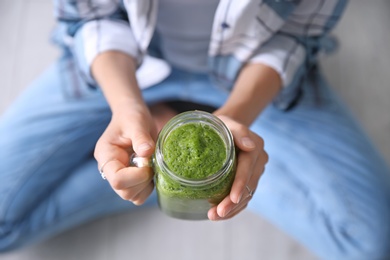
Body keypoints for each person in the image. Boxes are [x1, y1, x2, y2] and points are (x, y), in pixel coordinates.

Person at [0, 0, 389, 258]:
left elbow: (296, 36)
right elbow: (91, 17)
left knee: (372, 245)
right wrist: (127, 105)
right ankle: (160, 176)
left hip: (250, 71)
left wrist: (239, 117)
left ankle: (201, 182)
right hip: (125, 63)